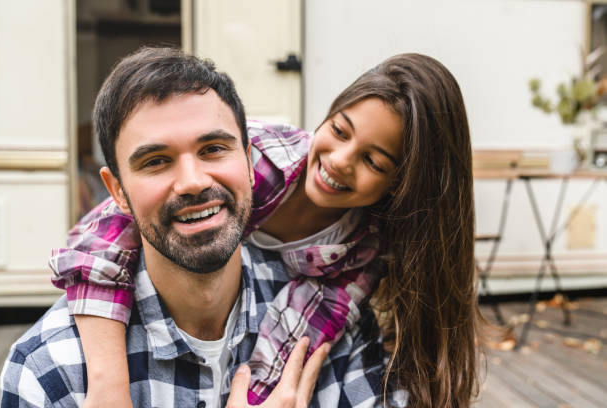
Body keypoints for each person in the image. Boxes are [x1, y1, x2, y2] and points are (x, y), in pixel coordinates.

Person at [51, 49, 478, 407]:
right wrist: (109, 385)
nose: (340, 160)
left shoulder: (360, 253)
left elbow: (298, 334)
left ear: (400, 184)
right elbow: (99, 239)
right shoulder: (252, 156)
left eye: (374, 161)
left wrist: (252, 398)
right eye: (339, 130)